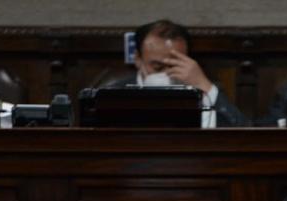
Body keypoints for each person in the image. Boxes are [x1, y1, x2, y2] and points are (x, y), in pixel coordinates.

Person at [104, 19, 249, 128]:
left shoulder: (204, 91)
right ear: (137, 59)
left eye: (174, 65)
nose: (166, 73)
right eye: (157, 66)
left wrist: (204, 86)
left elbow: (244, 132)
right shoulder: (114, 92)